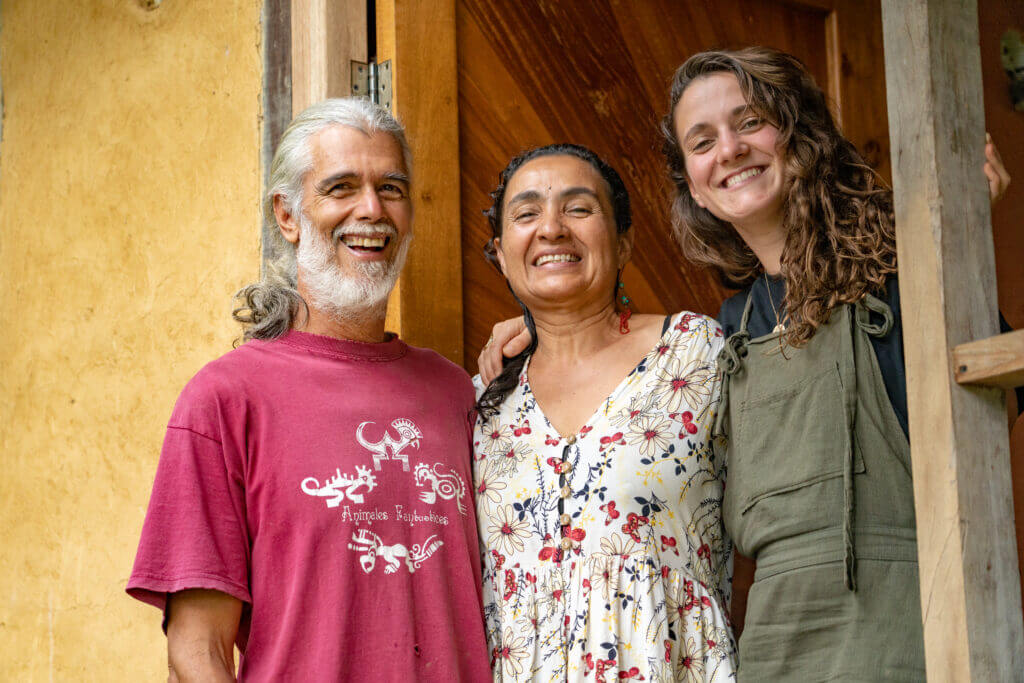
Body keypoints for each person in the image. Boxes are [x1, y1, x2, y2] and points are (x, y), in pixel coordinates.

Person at [482, 48, 1012, 681]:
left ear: (799, 134)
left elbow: (987, 412)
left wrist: (956, 244)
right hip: (775, 652)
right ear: (694, 186)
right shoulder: (734, 328)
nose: (728, 149)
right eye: (702, 141)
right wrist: (542, 331)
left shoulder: (892, 277)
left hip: (913, 633)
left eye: (751, 120)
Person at [127, 98, 491, 681]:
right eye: (341, 187)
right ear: (288, 216)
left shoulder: (454, 393)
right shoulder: (225, 399)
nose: (371, 210)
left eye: (391, 188)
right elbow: (198, 652)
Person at [473, 143, 736, 681]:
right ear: (502, 254)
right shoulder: (481, 403)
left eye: (578, 208)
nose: (551, 229)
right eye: (527, 214)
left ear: (623, 243)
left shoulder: (695, 353)